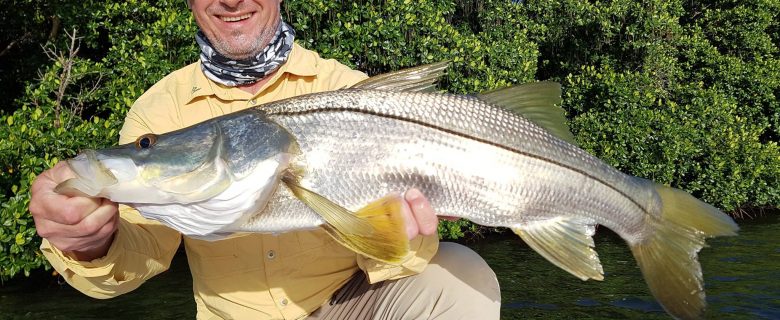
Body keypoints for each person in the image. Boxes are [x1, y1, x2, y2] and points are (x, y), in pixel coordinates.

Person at [30, 0, 501, 319]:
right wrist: (89, 243)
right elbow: (142, 251)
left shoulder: (348, 90)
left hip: (349, 306)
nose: (231, 1)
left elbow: (394, 259)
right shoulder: (159, 109)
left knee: (462, 277)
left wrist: (407, 231)